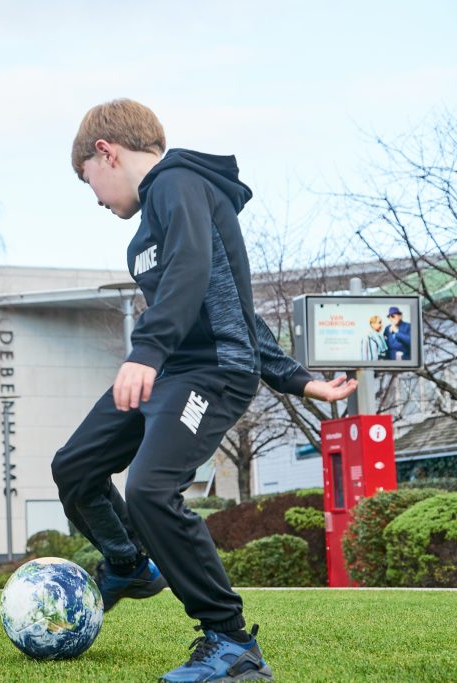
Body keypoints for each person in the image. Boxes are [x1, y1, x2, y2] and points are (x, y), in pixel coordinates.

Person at [52, 99, 358, 682]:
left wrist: (146, 349)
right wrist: (300, 378)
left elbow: (195, 271)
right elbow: (233, 305)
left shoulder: (178, 183)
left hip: (211, 373)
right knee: (75, 466)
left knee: (150, 489)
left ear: (105, 153)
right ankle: (128, 565)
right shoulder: (149, 221)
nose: (93, 197)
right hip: (171, 371)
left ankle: (232, 642)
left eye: (88, 181)